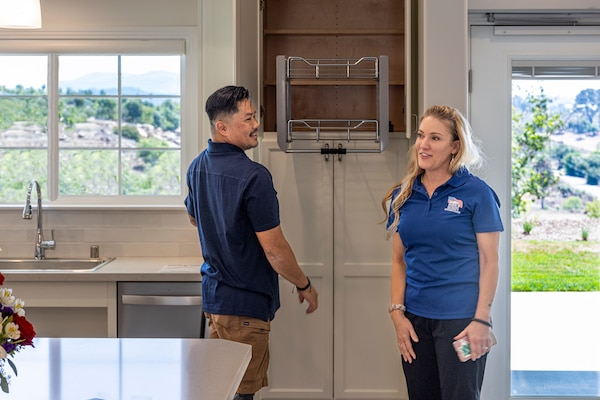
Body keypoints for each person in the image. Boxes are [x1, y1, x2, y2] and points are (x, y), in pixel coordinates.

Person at [184, 85, 318, 400]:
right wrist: (303, 284)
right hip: (244, 307)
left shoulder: (197, 166)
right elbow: (274, 249)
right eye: (248, 118)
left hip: (215, 303)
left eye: (255, 116)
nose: (256, 124)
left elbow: (194, 217)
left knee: (222, 388)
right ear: (222, 127)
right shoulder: (254, 176)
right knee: (243, 393)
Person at [381, 105, 503, 400]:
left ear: (455, 147)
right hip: (415, 325)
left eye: (435, 138)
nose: (423, 145)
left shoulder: (477, 193)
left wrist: (481, 321)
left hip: (462, 324)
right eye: (421, 135)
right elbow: (399, 261)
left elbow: (490, 262)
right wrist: (397, 314)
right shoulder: (404, 195)